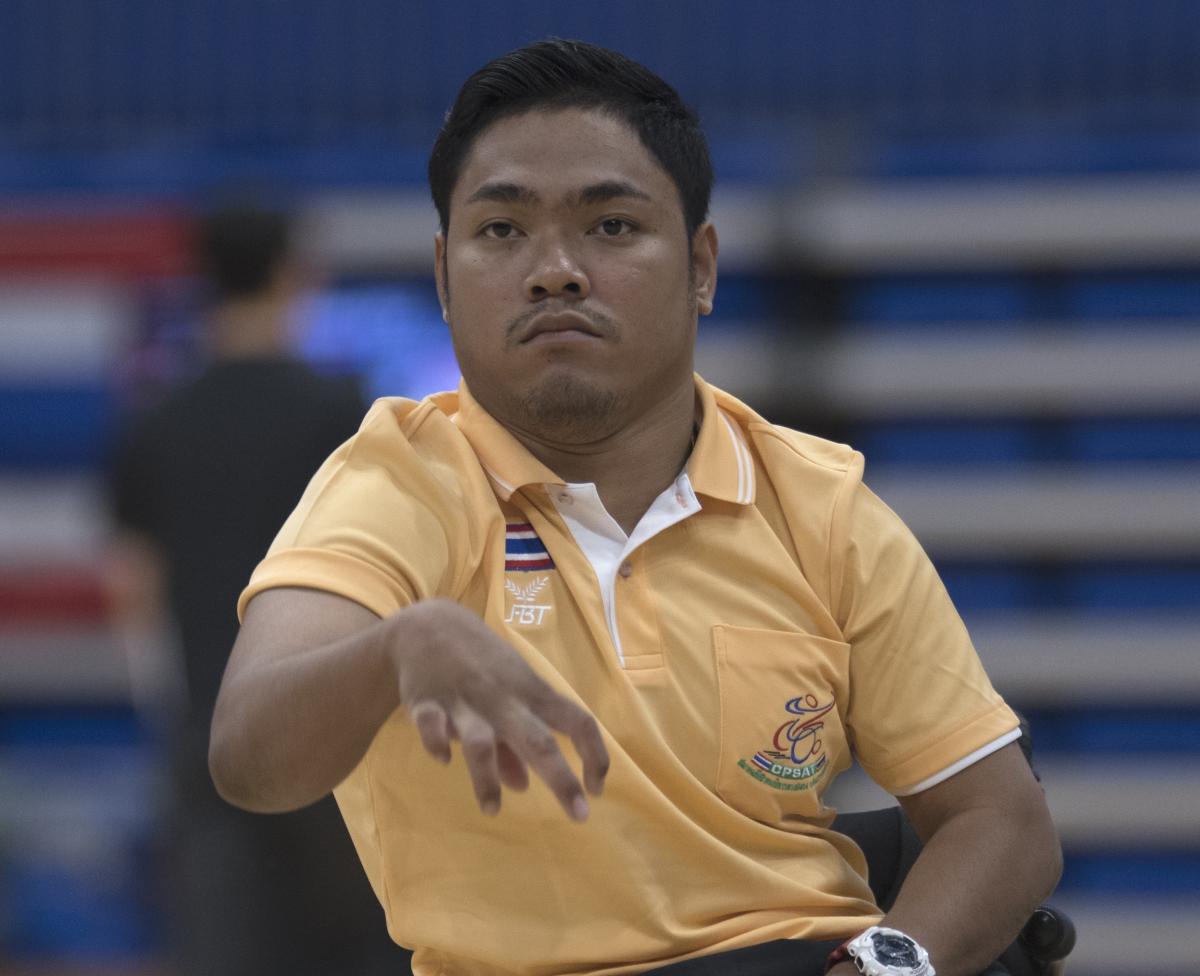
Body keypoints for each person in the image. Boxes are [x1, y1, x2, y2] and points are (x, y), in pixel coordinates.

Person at [208, 41, 1062, 976]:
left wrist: (890, 965)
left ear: (701, 267)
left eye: (611, 226)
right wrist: (396, 649)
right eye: (502, 232)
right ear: (445, 278)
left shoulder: (822, 507)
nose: (555, 270)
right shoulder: (400, 482)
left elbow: (1002, 822)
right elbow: (249, 753)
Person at [108, 203, 404, 975]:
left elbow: (133, 590)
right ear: (291, 274)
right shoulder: (344, 417)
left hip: (212, 739)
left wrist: (180, 714)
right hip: (342, 739)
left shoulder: (156, 422)